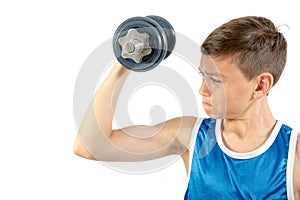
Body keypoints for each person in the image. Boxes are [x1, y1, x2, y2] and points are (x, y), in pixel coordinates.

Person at [73, 16, 300, 199]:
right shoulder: (190, 136)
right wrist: (124, 65)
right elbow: (90, 146)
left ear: (261, 85)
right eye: (204, 76)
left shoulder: (293, 157)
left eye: (216, 80)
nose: (202, 90)